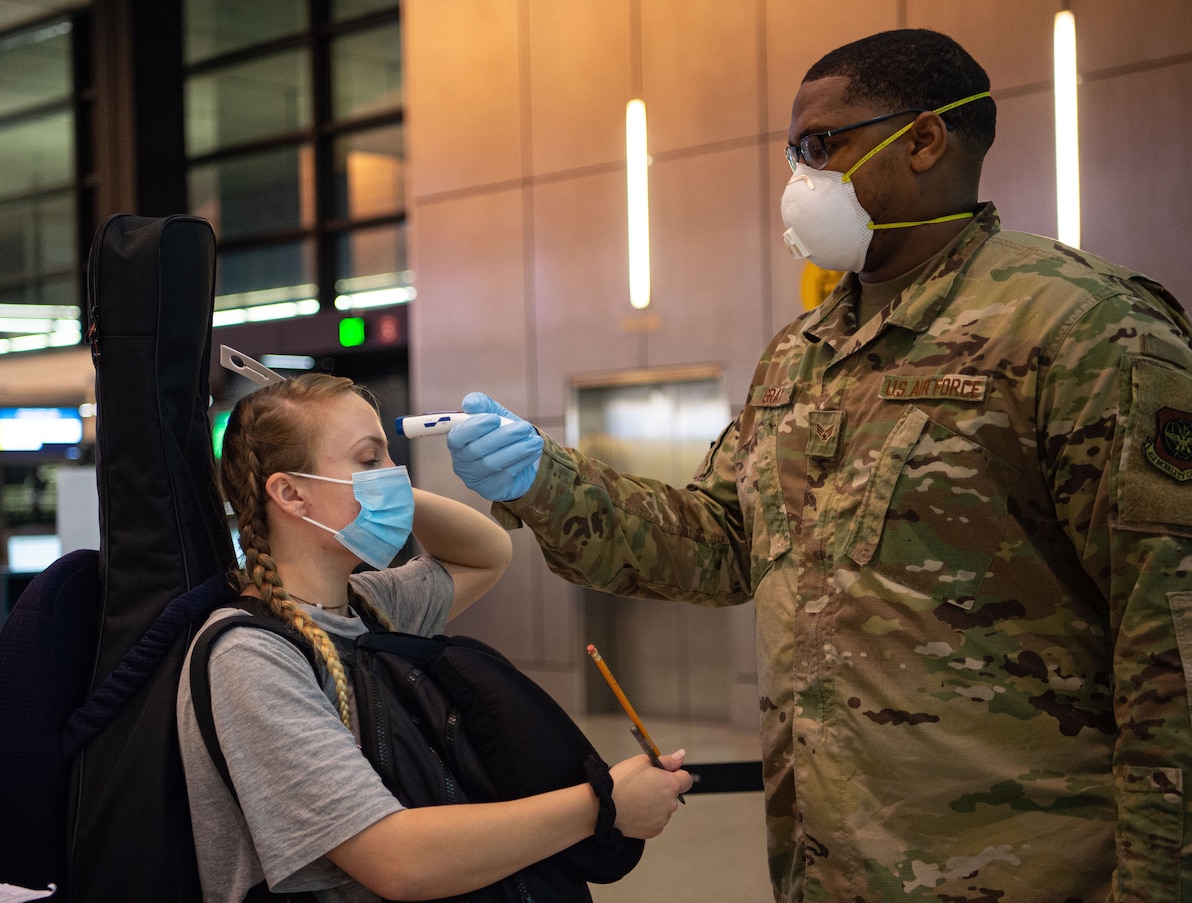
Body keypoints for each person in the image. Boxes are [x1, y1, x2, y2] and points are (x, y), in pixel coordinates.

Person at [443, 28, 1192, 902]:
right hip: (824, 864)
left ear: (922, 141)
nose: (800, 177)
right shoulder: (800, 353)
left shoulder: (1082, 329)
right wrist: (541, 479)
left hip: (1025, 869)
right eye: (793, 152)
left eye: (821, 145)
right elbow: (719, 541)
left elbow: (1169, 646)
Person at [175, 373, 692, 902]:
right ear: (290, 493)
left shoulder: (373, 606)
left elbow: (488, 553)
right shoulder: (251, 654)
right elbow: (395, 860)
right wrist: (602, 804)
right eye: (370, 459)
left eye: (390, 459)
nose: (394, 476)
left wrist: (386, 487)